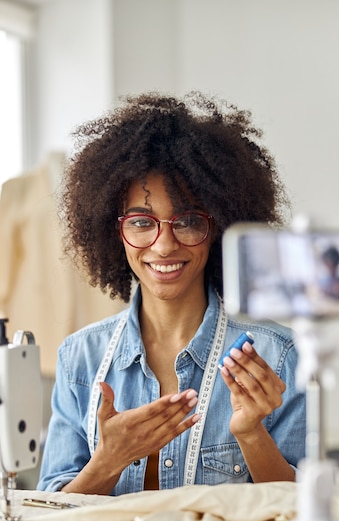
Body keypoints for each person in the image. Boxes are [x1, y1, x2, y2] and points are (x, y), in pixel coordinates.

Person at [37, 91, 306, 496]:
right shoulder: (81, 359)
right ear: (116, 232)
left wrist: (251, 434)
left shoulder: (278, 357)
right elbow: (47, 514)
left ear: (217, 227)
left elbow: (304, 514)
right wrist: (108, 461)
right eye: (142, 222)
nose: (164, 246)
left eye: (187, 221)